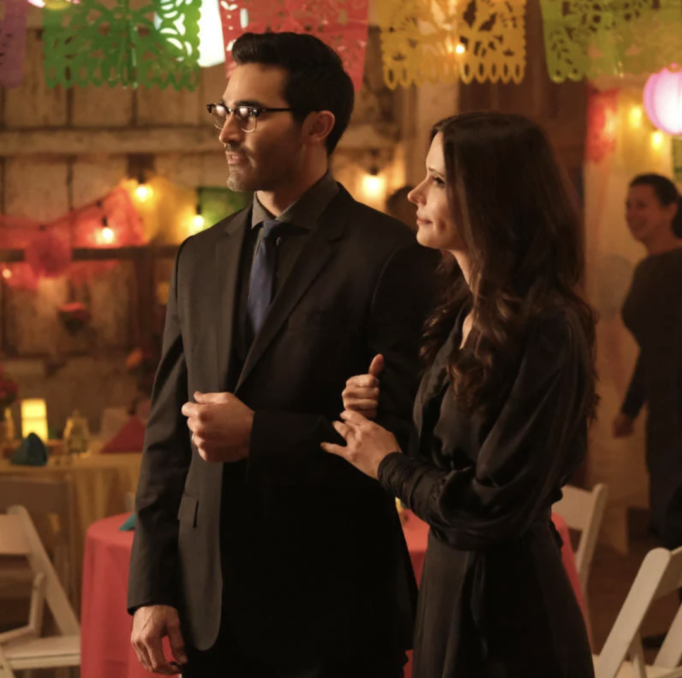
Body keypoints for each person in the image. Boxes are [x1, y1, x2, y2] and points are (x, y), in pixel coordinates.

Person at [128, 31, 438, 678]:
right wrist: (152, 587)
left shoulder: (390, 256)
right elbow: (166, 438)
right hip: (209, 609)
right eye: (224, 111)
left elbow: (407, 436)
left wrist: (259, 435)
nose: (226, 133)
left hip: (334, 606)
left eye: (250, 113)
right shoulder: (198, 257)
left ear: (316, 126)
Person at [324, 112, 595, 677]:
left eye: (440, 180)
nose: (415, 193)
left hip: (511, 615)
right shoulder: (461, 312)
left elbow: (492, 506)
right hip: (450, 587)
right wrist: (381, 422)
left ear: (494, 198)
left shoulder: (549, 325)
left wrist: (388, 464)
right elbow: (447, 462)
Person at [613, 174, 682, 549]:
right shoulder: (645, 270)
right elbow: (654, 347)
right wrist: (630, 408)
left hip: (676, 413)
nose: (631, 214)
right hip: (663, 413)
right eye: (628, 206)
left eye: (642, 205)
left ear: (670, 210)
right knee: (668, 521)